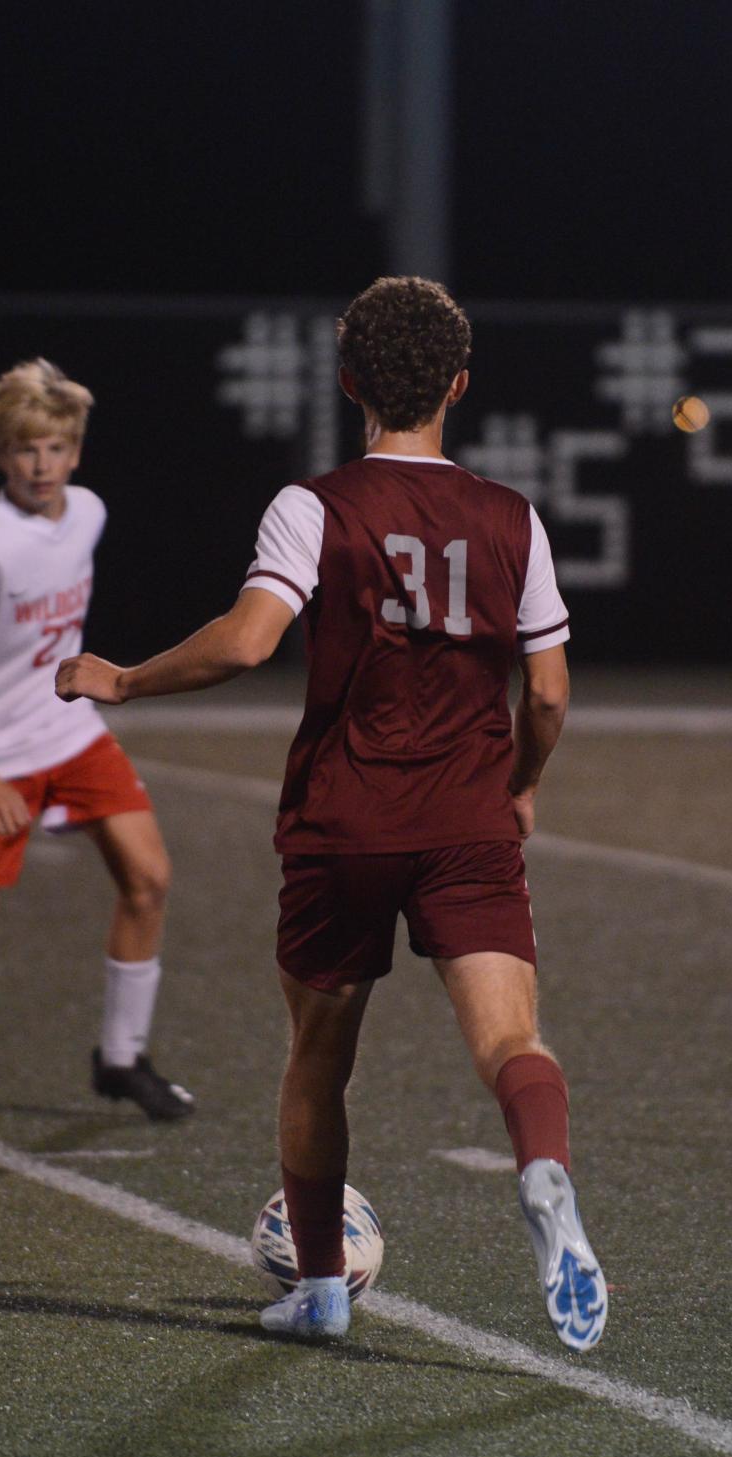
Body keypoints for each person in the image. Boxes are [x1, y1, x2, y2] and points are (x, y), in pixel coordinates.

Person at [55, 278, 605, 1350]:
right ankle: (544, 1171)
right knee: (510, 1038)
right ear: (457, 384)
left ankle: (317, 1290)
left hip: (344, 826)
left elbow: (249, 640)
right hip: (467, 826)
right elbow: (546, 692)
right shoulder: (510, 517)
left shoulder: (314, 505)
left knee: (318, 1056)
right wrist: (524, 782)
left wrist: (122, 682)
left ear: (350, 382)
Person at [0, 358, 195, 1125]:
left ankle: (121, 1058)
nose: (41, 464)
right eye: (25, 449)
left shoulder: (87, 512)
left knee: (149, 879)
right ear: (0, 455)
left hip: (68, 730)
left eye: (54, 448)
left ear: (76, 452)